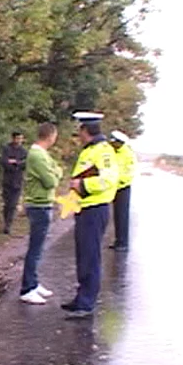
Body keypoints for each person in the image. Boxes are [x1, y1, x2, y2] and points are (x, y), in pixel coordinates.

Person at [61, 112, 119, 319]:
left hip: (95, 209)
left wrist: (82, 184)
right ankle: (81, 298)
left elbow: (109, 179)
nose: (78, 134)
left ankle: (86, 303)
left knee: (90, 257)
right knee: (83, 256)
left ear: (86, 131)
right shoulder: (90, 150)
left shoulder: (103, 151)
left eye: (80, 130)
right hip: (85, 208)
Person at [20, 122, 64, 304]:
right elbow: (50, 181)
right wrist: (55, 173)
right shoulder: (37, 155)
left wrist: (56, 172)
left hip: (43, 204)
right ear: (51, 136)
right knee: (35, 248)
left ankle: (34, 282)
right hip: (38, 205)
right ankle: (27, 288)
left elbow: (58, 170)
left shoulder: (43, 154)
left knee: (39, 248)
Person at [109, 130, 136, 252]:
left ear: (120, 143)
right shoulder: (112, 151)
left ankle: (123, 243)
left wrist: (117, 181)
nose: (112, 144)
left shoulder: (128, 154)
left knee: (122, 215)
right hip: (112, 187)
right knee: (116, 215)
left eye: (114, 142)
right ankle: (118, 240)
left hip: (122, 188)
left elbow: (129, 173)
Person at [1, 130, 28, 234]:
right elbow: (4, 163)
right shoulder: (7, 149)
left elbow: (25, 164)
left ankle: (8, 225)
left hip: (18, 181)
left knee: (13, 204)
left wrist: (15, 163)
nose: (19, 141)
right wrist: (17, 164)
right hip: (7, 180)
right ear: (13, 138)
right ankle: (6, 221)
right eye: (17, 138)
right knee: (7, 204)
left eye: (21, 139)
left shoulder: (23, 151)